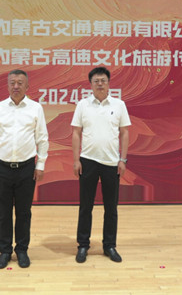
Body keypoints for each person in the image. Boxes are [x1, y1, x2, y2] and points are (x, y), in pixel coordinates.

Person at [0, 69, 49, 269]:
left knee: (24, 212)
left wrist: (40, 164)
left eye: (20, 83)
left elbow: (42, 139)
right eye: (12, 82)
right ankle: (4, 251)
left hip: (26, 168)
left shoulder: (36, 108)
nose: (16, 86)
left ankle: (22, 250)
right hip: (2, 167)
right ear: (7, 85)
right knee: (3, 213)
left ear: (27, 86)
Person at [71, 66, 130, 264]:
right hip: (87, 161)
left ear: (109, 83)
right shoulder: (83, 105)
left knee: (111, 207)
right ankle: (83, 245)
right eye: (96, 81)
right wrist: (76, 160)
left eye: (103, 80)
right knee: (85, 206)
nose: (100, 84)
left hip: (111, 162)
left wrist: (123, 159)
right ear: (90, 84)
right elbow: (76, 132)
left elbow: (124, 133)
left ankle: (109, 245)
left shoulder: (119, 105)